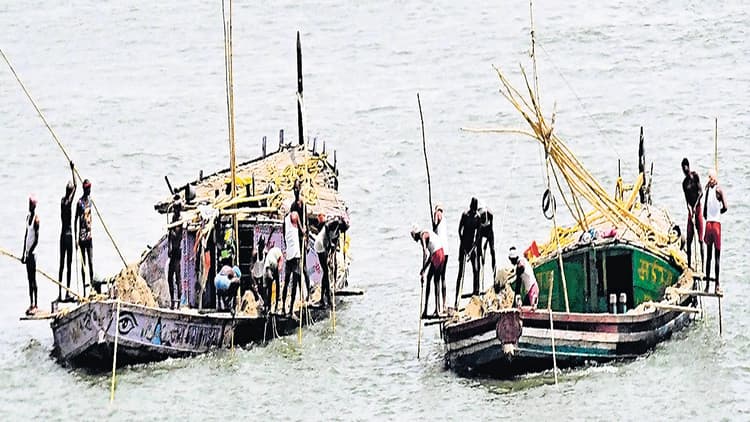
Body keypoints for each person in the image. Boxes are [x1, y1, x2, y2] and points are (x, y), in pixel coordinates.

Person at [411, 225, 446, 317]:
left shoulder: (423, 236)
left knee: (433, 280)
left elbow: (425, 253)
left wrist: (423, 273)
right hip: (441, 253)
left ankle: (432, 310)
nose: (414, 239)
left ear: (415, 234)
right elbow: (431, 256)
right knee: (434, 280)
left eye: (413, 236)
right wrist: (424, 269)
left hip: (437, 254)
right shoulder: (427, 233)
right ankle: (433, 310)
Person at [703, 169, 727, 294]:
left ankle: (707, 285)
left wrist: (709, 216)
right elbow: (726, 207)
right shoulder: (719, 190)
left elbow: (704, 211)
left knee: (709, 257)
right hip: (716, 225)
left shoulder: (708, 190)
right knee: (716, 257)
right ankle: (716, 285)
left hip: (709, 224)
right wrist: (718, 213)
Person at [455, 197, 481, 307]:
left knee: (476, 269)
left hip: (472, 246)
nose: (473, 212)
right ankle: (457, 297)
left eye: (475, 210)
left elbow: (478, 236)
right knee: (460, 271)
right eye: (472, 210)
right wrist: (464, 247)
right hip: (463, 245)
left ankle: (476, 294)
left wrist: (472, 249)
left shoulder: (478, 217)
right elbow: (459, 230)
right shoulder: (465, 215)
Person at [681, 158, 704, 271]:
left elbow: (701, 192)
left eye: (686, 169)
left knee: (700, 239)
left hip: (698, 209)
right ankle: (689, 265)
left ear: (688, 167)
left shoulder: (695, 177)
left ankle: (703, 266)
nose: (685, 171)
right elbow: (686, 199)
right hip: (691, 212)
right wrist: (690, 209)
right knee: (689, 239)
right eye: (683, 170)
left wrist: (695, 207)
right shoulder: (684, 183)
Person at [58, 161, 76, 302]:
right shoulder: (69, 202)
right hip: (68, 235)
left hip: (61, 235)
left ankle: (60, 293)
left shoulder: (62, 201)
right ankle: (67, 293)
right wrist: (73, 169)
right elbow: (76, 186)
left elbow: (73, 188)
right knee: (68, 265)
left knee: (61, 264)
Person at [75, 179, 95, 294]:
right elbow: (75, 220)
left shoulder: (91, 201)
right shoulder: (80, 203)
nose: (90, 190)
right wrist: (76, 239)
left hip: (89, 236)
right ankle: (83, 289)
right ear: (85, 189)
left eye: (90, 188)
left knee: (91, 262)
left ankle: (92, 287)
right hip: (82, 237)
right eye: (88, 188)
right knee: (84, 264)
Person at [21, 196, 40, 315]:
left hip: (33, 254)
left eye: (31, 204)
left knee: (33, 279)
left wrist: (29, 253)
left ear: (34, 206)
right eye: (29, 204)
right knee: (29, 280)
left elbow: (36, 240)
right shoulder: (28, 217)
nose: (29, 206)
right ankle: (31, 303)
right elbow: (26, 235)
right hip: (28, 254)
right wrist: (24, 253)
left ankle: (36, 304)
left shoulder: (36, 220)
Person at [282, 211, 303, 316]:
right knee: (293, 284)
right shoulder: (294, 216)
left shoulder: (285, 221)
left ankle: (283, 308)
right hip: (295, 255)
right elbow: (302, 231)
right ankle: (289, 310)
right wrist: (303, 229)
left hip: (290, 254)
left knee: (286, 283)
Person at [167, 196, 183, 309]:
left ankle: (178, 303)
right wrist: (169, 247)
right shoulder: (173, 218)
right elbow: (170, 237)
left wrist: (170, 229)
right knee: (170, 277)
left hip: (177, 252)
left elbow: (176, 235)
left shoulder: (180, 220)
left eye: (176, 208)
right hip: (173, 252)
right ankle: (172, 301)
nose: (174, 210)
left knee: (178, 278)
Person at [431, 205, 448, 312]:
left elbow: (435, 224)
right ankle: (444, 304)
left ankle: (438, 307)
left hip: (439, 250)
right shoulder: (444, 220)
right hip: (446, 251)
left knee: (436, 279)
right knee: (443, 277)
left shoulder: (437, 214)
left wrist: (433, 217)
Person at [476, 207, 496, 281]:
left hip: (489, 230)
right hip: (481, 230)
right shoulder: (478, 217)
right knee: (478, 251)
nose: (482, 217)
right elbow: (478, 234)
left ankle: (494, 274)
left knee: (492, 251)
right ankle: (478, 274)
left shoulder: (490, 215)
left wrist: (486, 243)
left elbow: (491, 229)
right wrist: (481, 253)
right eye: (481, 216)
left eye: (483, 216)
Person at [263, 245, 284, 313]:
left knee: (275, 286)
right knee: (270, 288)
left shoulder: (275, 259)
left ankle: (275, 306)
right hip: (271, 264)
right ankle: (270, 307)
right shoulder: (266, 270)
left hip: (274, 261)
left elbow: (279, 265)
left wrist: (278, 269)